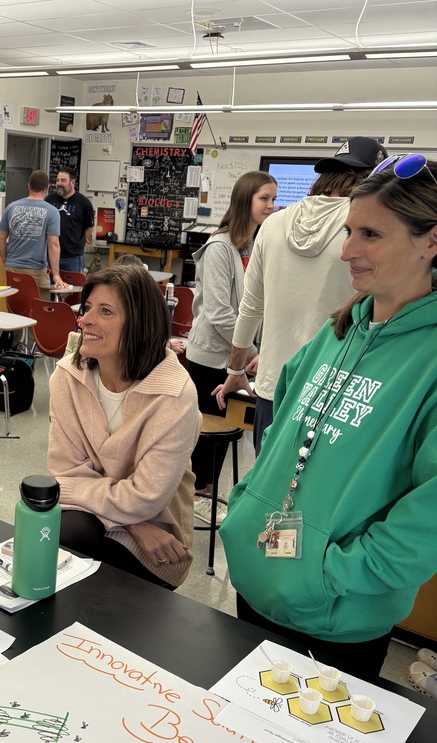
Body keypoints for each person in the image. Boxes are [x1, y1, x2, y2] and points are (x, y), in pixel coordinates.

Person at [220, 156, 437, 681]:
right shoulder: (339, 329)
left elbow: (426, 522)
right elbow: (280, 437)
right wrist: (247, 509)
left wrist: (328, 571)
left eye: (370, 234)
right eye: (348, 231)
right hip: (257, 584)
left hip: (333, 618)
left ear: (431, 240)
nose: (347, 251)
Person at [214, 136, 388, 454]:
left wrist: (235, 370)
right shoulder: (369, 231)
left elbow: (250, 306)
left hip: (272, 384)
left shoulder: (273, 224)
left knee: (265, 480)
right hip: (335, 391)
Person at [48, 265, 201, 589]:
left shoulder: (174, 394)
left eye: (105, 311)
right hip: (123, 524)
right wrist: (132, 524)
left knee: (78, 554)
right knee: (55, 532)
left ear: (139, 325)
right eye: (87, 308)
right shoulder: (68, 376)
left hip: (159, 541)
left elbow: (145, 499)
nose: (86, 319)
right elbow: (63, 474)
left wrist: (135, 518)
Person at [185, 171, 277, 524]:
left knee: (227, 430)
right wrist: (251, 351)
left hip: (236, 355)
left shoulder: (252, 247)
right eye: (263, 199)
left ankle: (206, 490)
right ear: (245, 202)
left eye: (272, 199)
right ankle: (197, 493)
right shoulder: (219, 247)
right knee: (207, 430)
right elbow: (219, 312)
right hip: (211, 355)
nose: (271, 206)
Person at [0, 170, 63, 294]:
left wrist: (6, 260)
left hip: (13, 268)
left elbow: (1, 238)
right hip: (36, 271)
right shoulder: (52, 212)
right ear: (47, 188)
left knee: (16, 307)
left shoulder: (11, 207)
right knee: (40, 308)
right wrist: (56, 275)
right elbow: (53, 244)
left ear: (29, 186)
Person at [45, 168, 94, 274]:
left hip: (72, 257)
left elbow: (89, 228)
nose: (59, 183)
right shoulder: (49, 200)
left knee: (71, 288)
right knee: (49, 287)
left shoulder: (84, 203)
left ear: (72, 182)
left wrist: (78, 243)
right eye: (57, 180)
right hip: (50, 254)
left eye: (63, 181)